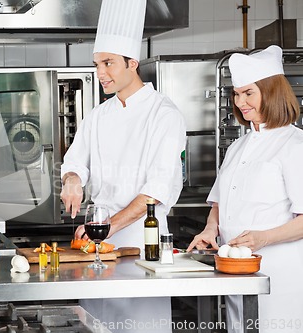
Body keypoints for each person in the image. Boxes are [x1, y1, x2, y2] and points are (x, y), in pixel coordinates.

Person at [60, 0, 186, 332]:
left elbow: (156, 190)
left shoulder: (165, 115)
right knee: (96, 324)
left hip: (141, 240)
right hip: (100, 239)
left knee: (141, 325)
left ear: (133, 63)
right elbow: (75, 161)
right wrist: (72, 179)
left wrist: (106, 226)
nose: (100, 73)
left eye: (108, 63)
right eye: (97, 64)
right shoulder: (99, 115)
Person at [187, 45, 303, 333]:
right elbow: (218, 204)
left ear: (272, 91)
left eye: (248, 93)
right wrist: (209, 230)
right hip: (237, 272)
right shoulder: (238, 146)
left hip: (280, 276)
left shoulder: (294, 146)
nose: (240, 102)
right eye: (236, 94)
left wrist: (264, 238)